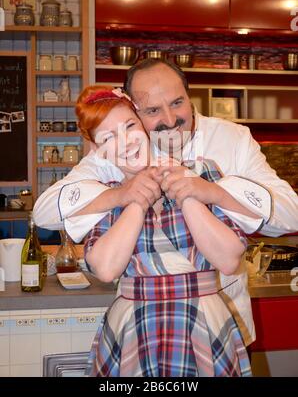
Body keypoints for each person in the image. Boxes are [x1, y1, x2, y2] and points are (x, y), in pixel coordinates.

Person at [33, 59, 298, 347]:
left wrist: (215, 193)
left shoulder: (232, 138)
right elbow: (45, 213)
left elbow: (292, 216)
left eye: (177, 102)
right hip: (143, 326)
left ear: (188, 94)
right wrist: (122, 194)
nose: (170, 119)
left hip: (223, 322)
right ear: (133, 111)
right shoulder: (120, 148)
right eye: (153, 110)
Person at [75, 85, 251, 377]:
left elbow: (229, 259)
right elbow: (105, 269)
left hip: (203, 323)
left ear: (142, 125)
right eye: (108, 137)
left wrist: (185, 189)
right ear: (98, 150)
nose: (126, 141)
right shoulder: (103, 196)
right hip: (133, 328)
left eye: (129, 125)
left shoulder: (202, 173)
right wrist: (137, 197)